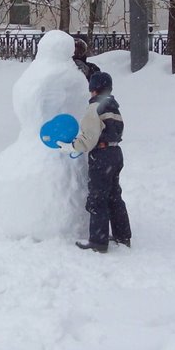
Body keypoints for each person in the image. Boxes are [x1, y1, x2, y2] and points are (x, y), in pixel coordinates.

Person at [56, 71, 131, 253]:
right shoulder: (114, 108)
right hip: (115, 153)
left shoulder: (94, 108)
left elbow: (89, 138)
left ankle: (98, 241)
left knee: (98, 199)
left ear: (93, 89)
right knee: (114, 197)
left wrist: (72, 146)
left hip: (102, 156)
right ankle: (123, 236)